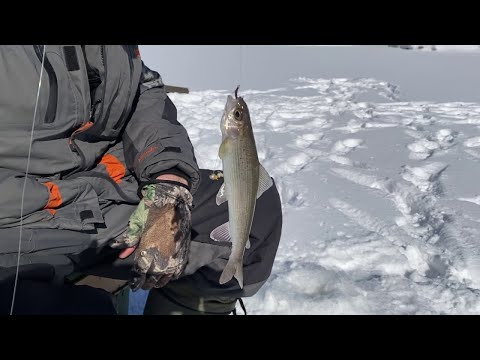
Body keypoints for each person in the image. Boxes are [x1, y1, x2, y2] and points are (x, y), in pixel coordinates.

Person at [0, 45, 282, 315]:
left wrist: (169, 180)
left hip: (99, 193)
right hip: (17, 223)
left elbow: (141, 91)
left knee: (257, 215)